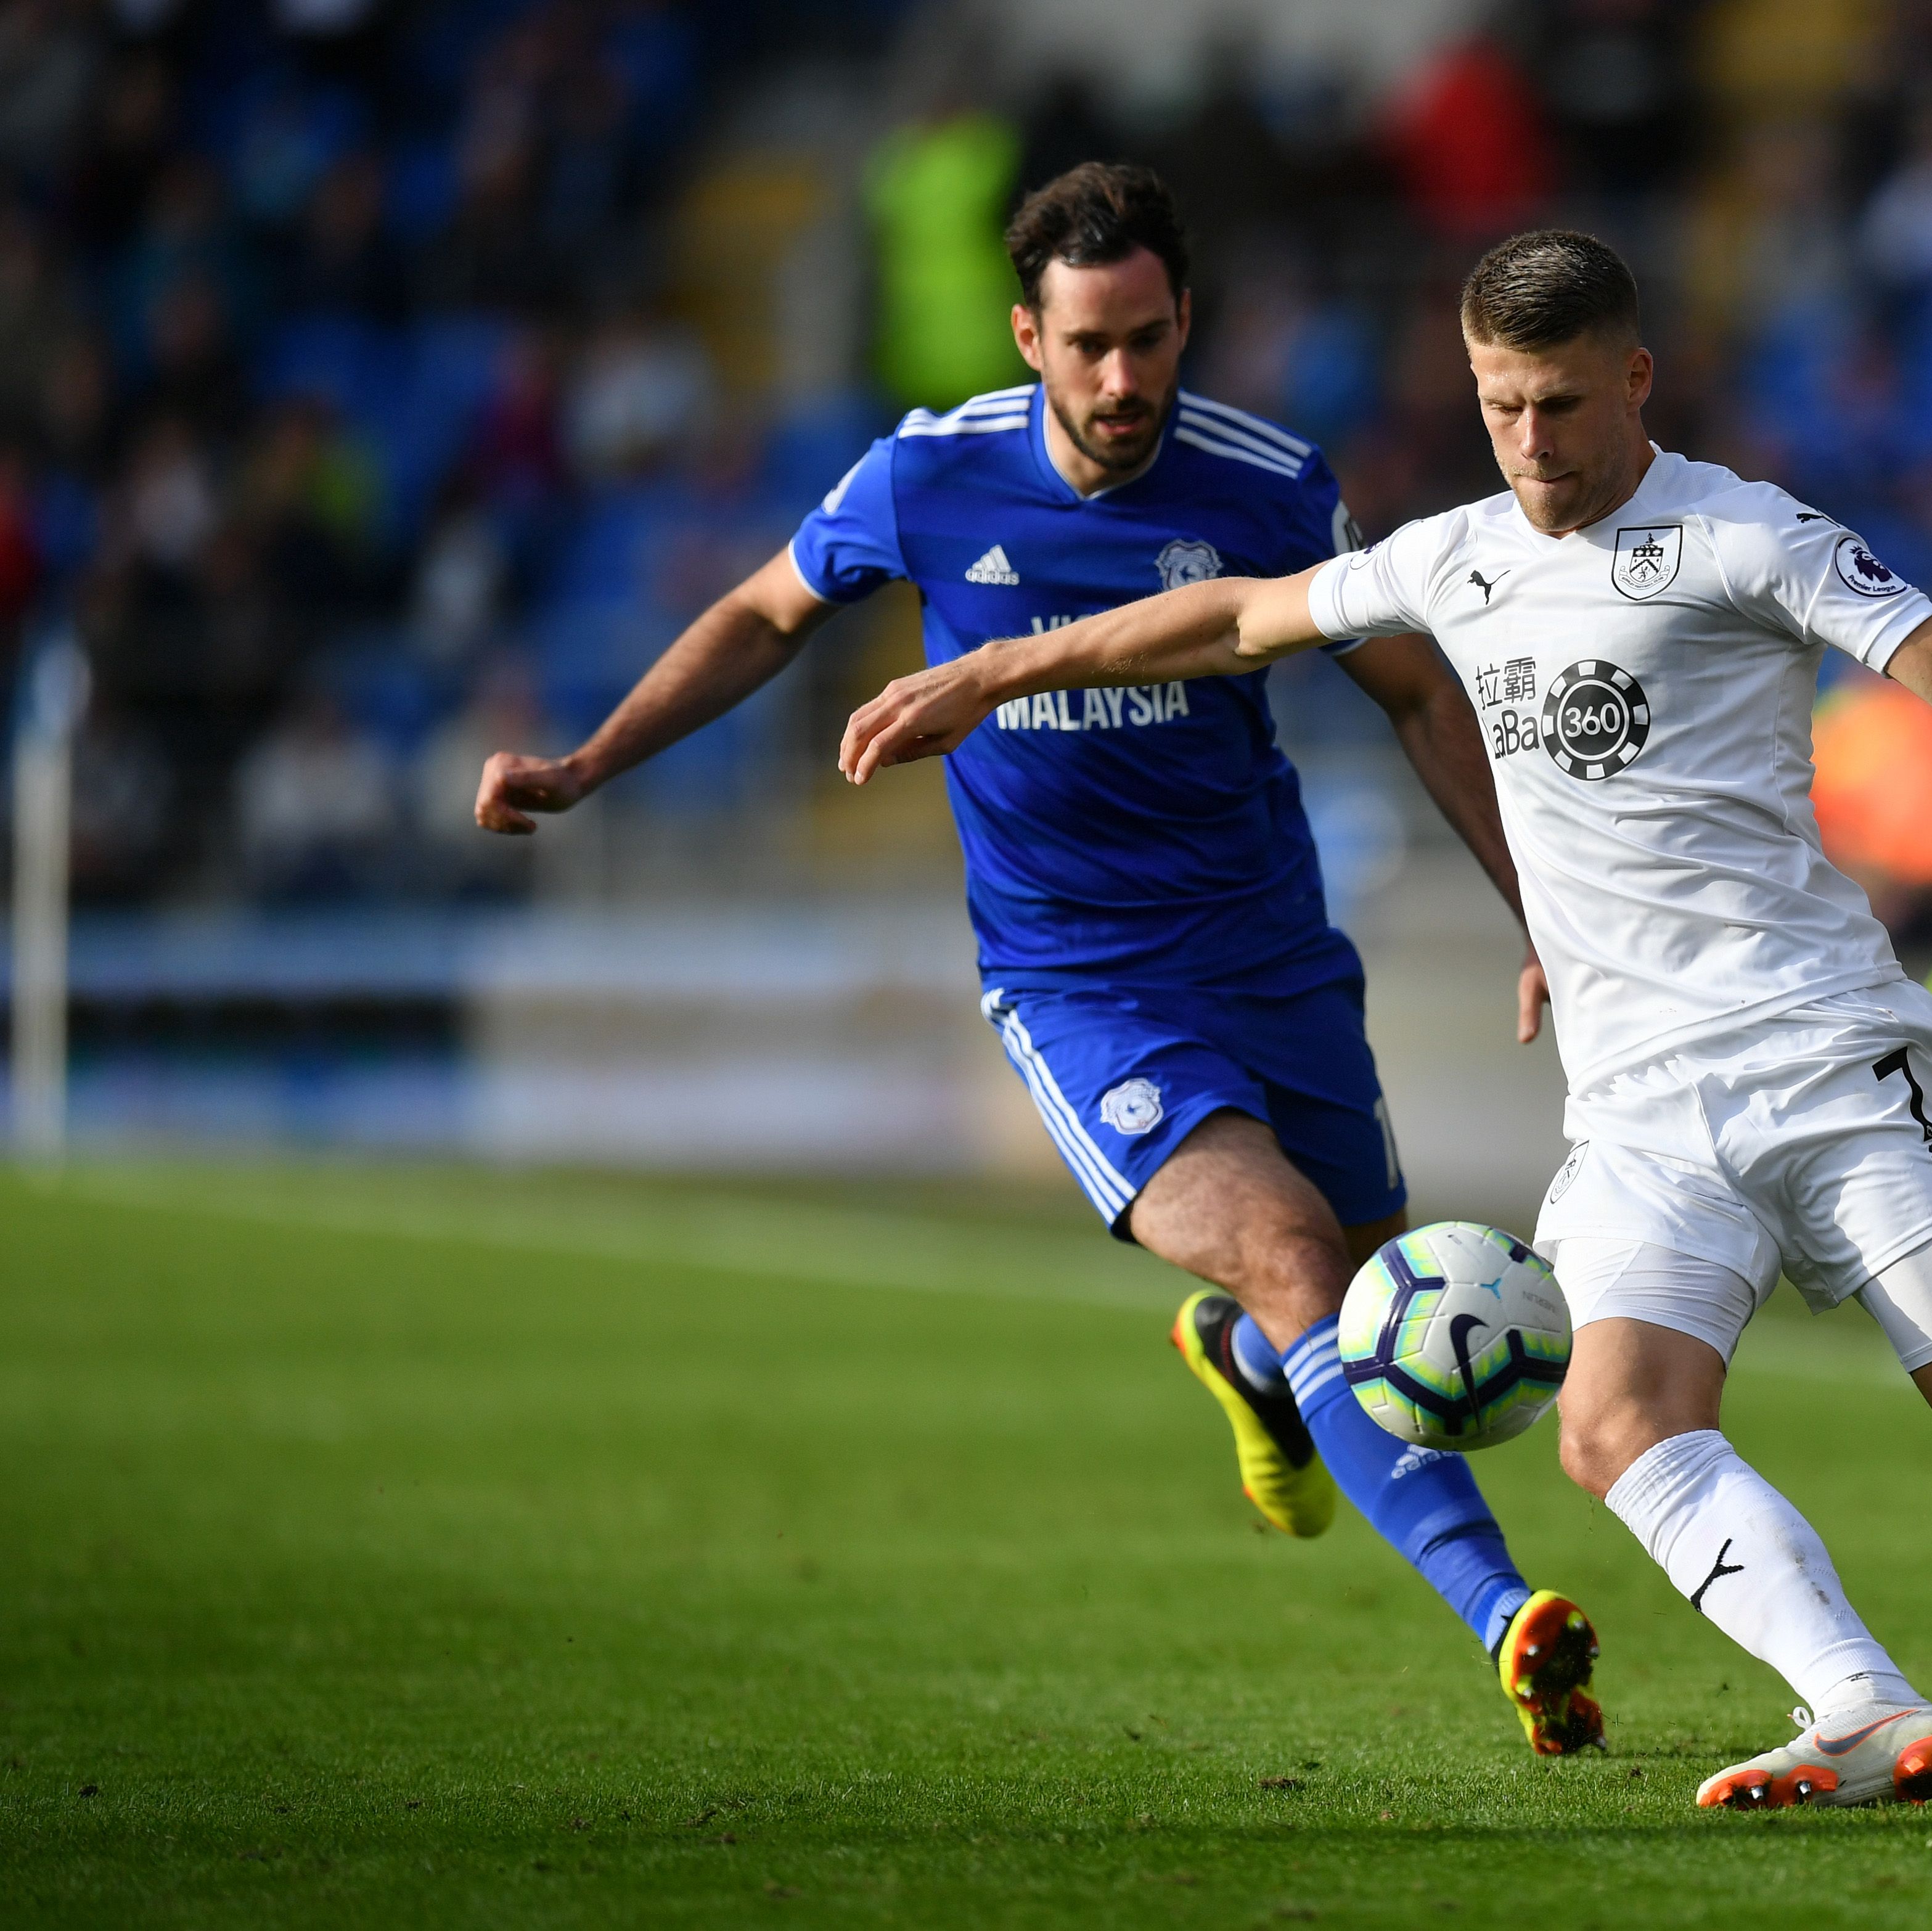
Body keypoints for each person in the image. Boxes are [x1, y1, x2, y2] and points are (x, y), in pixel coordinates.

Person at [836, 229, 1932, 1811]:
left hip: (1829, 1054)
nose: (1533, 442)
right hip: (1643, 1112)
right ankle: (1861, 1703)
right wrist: (1003, 669)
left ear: (1636, 380)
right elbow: (1239, 618)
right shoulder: (1454, 556)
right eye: (1503, 405)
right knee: (1606, 1425)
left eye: (1566, 405)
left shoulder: (1744, 533)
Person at [471, 166, 1603, 1756]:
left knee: (1348, 1294)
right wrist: (590, 766)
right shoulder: (924, 478)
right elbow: (763, 613)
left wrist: (1539, 914)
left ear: (1185, 321)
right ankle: (1509, 1618)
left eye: (1150, 340)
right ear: (1028, 336)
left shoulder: (1268, 484)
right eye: (1088, 347)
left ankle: (1254, 1370)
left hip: (1276, 956)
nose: (1124, 380)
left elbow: (1419, 694)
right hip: (1082, 981)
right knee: (1297, 1262)